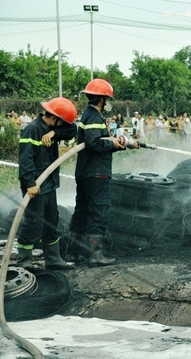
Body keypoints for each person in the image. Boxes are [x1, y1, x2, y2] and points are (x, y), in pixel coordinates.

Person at [69, 78, 139, 267]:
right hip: (96, 173)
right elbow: (94, 143)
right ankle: (95, 255)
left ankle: (73, 253)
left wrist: (121, 145)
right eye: (107, 99)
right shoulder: (93, 117)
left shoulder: (88, 115)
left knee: (82, 212)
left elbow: (99, 143)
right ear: (101, 99)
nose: (108, 102)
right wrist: (113, 143)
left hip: (86, 172)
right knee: (98, 211)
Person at [17, 97, 78, 270]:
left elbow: (73, 128)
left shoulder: (50, 130)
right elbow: (25, 159)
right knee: (33, 221)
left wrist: (54, 133)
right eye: (62, 122)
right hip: (35, 185)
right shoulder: (32, 130)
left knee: (52, 219)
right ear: (55, 118)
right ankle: (25, 262)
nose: (63, 125)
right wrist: (29, 183)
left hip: (49, 184)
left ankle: (53, 259)